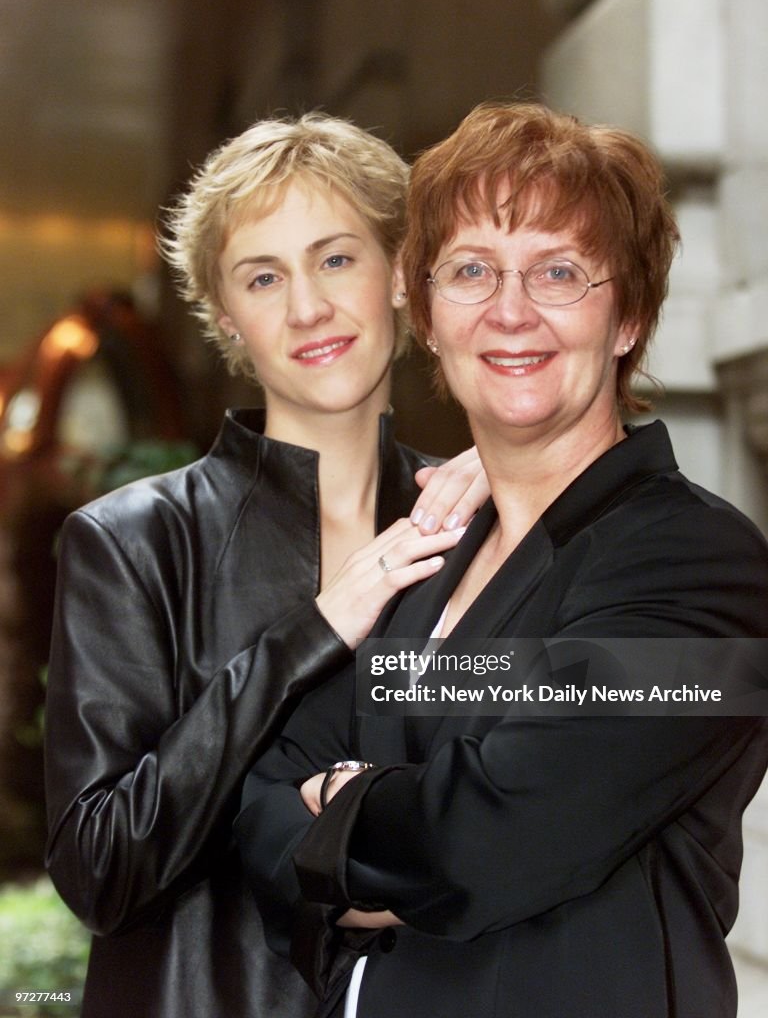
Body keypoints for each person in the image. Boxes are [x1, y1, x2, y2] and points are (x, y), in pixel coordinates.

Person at [235, 102, 768, 1018]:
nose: (510, 311)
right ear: (430, 315)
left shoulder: (698, 563)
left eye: (559, 272)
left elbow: (485, 845)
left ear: (630, 315)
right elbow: (257, 801)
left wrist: (344, 799)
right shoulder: (427, 549)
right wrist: (369, 809)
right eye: (472, 271)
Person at [43, 113, 488, 1018]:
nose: (307, 308)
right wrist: (313, 635)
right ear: (226, 317)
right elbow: (99, 868)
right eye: (263, 277)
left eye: (335, 259)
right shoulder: (132, 542)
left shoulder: (482, 522)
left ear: (403, 276)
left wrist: (538, 472)